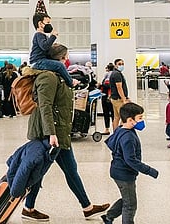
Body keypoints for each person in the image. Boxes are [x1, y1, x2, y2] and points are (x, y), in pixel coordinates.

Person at [23, 43, 110, 221]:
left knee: (71, 170)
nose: (67, 60)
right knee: (39, 172)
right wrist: (51, 133)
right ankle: (28, 208)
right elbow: (45, 106)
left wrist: (71, 84)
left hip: (60, 131)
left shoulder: (56, 75)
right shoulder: (47, 77)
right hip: (49, 133)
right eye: (66, 57)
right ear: (60, 58)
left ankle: (87, 207)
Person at [102, 103, 159, 224]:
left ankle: (108, 216)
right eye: (140, 118)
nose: (142, 121)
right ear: (130, 120)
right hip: (124, 174)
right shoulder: (128, 138)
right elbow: (131, 160)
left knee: (127, 198)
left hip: (117, 170)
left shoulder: (120, 129)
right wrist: (149, 171)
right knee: (130, 205)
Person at [29, 12, 77, 88]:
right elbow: (45, 46)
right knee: (60, 65)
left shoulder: (43, 36)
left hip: (41, 60)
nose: (49, 25)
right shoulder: (38, 35)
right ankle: (70, 82)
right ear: (40, 24)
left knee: (58, 64)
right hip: (38, 61)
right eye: (47, 22)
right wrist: (53, 36)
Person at [109, 58, 130, 130]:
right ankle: (120, 134)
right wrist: (124, 99)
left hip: (115, 98)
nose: (121, 65)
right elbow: (119, 88)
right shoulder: (117, 74)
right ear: (115, 65)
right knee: (124, 117)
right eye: (119, 64)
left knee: (116, 117)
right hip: (119, 99)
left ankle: (115, 133)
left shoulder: (115, 73)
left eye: (122, 64)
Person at [100, 63, 115, 135]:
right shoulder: (111, 76)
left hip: (107, 97)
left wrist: (101, 85)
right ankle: (113, 129)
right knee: (112, 114)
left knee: (107, 113)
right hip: (108, 96)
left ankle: (107, 129)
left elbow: (107, 86)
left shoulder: (109, 77)